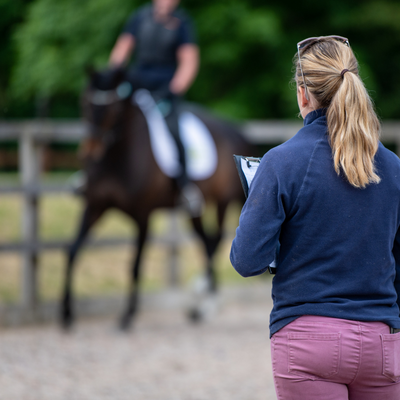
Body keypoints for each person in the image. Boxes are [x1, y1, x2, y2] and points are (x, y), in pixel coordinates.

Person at [230, 35, 400, 399]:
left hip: (308, 342)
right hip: (382, 343)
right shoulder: (393, 166)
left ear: (302, 92)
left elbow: (247, 261)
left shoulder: (280, 162)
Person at [109, 0, 203, 215]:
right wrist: (113, 77)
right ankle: (92, 173)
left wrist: (175, 89)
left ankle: (185, 186)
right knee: (108, 120)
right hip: (136, 85)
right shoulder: (139, 17)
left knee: (174, 131)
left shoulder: (182, 23)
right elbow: (122, 49)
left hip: (165, 90)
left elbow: (189, 61)